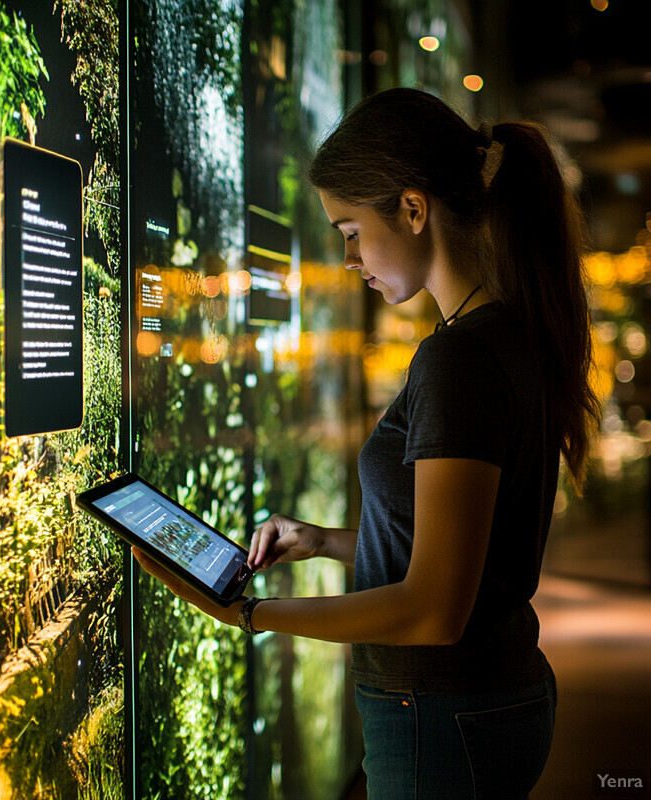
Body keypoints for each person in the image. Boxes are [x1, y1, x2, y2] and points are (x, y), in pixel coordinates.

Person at [134, 87, 601, 799]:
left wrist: (248, 614)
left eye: (351, 230)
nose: (349, 260)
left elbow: (433, 608)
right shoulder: (501, 337)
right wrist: (323, 541)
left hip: (442, 714)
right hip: (482, 701)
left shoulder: (458, 361)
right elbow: (459, 553)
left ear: (413, 210)